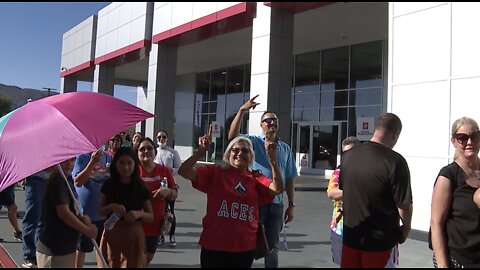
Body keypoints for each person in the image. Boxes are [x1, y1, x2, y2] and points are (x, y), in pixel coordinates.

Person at [178, 125, 283, 268]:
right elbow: (184, 171)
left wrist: (273, 161)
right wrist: (201, 151)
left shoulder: (256, 178)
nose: (240, 153)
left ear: (251, 156)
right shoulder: (215, 172)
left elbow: (277, 189)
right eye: (236, 150)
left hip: (244, 249)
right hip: (214, 246)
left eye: (245, 150)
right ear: (228, 154)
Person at [228, 95, 298, 268]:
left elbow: (290, 178)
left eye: (275, 120)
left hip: (276, 205)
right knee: (250, 242)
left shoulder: (285, 149)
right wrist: (242, 110)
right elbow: (232, 136)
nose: (272, 123)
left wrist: (291, 205)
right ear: (261, 125)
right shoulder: (253, 142)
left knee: (272, 246)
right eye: (268, 120)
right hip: (256, 203)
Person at [339, 113, 412, 268]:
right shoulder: (395, 161)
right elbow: (404, 204)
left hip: (351, 239)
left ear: (376, 129)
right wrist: (406, 228)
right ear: (395, 135)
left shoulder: (348, 157)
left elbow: (345, 191)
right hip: (380, 244)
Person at [430, 117, 480, 268]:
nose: (469, 142)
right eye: (462, 138)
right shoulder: (448, 176)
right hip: (458, 260)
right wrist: (443, 265)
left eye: (475, 136)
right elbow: (436, 223)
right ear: (453, 141)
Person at [36, 158, 98, 268]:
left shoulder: (67, 179)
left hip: (66, 247)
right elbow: (63, 213)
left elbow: (71, 208)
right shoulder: (57, 181)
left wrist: (81, 219)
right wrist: (87, 230)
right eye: (65, 160)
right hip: (55, 249)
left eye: (73, 159)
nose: (69, 164)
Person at [98, 147, 153, 268]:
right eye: (121, 163)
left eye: (129, 163)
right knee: (111, 263)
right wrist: (111, 207)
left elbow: (150, 216)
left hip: (134, 237)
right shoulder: (108, 185)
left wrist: (138, 214)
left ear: (135, 164)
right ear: (115, 164)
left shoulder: (141, 187)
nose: (126, 167)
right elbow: (100, 212)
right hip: (112, 235)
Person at [137, 138, 178, 266]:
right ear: (137, 153)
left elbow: (175, 193)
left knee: (148, 258)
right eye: (142, 149)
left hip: (156, 224)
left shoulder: (164, 171)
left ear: (155, 152)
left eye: (149, 148)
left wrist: (168, 192)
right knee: (139, 260)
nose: (146, 151)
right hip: (137, 224)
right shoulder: (133, 171)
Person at [72, 149, 113, 268]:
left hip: (103, 213)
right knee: (81, 249)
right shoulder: (82, 157)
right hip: (86, 214)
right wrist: (92, 162)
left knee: (102, 250)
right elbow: (78, 182)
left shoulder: (108, 158)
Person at [327, 136, 361, 265]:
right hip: (340, 227)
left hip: (361, 226)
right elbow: (331, 192)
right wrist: (356, 193)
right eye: (346, 153)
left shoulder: (366, 171)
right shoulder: (339, 171)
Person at [154, 129, 182, 247]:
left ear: (167, 138)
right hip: (157, 185)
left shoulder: (172, 152)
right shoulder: (153, 151)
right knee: (159, 211)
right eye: (159, 137)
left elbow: (179, 168)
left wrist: (169, 171)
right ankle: (160, 235)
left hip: (170, 185)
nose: (161, 139)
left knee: (170, 211)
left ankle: (172, 235)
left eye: (163, 137)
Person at [21, 169, 51, 268]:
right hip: (35, 178)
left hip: (52, 179)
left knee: (45, 219)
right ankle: (29, 254)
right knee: (32, 217)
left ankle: (40, 252)